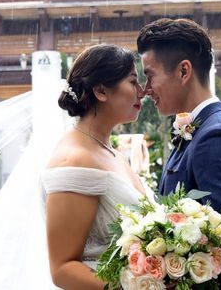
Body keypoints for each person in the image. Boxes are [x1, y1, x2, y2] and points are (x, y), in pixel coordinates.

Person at [137, 18, 221, 290]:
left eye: (150, 75)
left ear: (184, 72)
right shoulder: (198, 132)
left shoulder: (217, 139)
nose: (146, 90)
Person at [43, 44, 147, 289]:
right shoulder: (75, 160)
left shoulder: (111, 152)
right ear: (101, 91)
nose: (142, 92)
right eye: (133, 82)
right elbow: (63, 269)